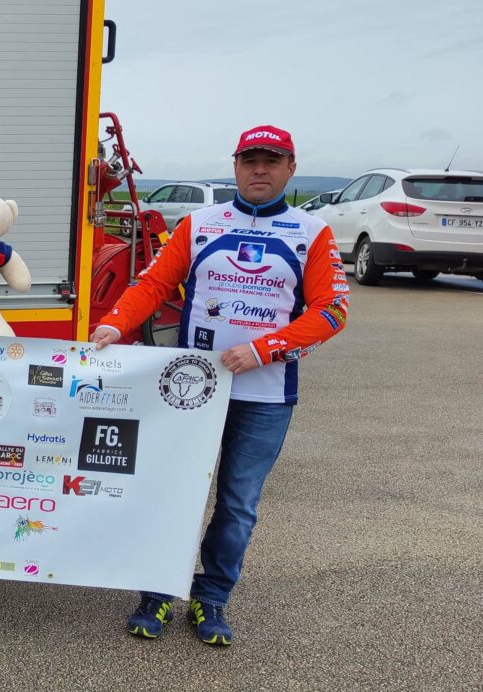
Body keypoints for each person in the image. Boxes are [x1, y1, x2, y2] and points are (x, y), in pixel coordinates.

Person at [92, 125, 350, 646]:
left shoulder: (312, 231)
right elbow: (154, 284)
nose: (260, 170)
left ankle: (211, 597)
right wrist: (115, 325)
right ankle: (157, 592)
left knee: (237, 506)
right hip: (193, 391)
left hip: (265, 397)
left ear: (291, 168)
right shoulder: (200, 223)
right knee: (175, 494)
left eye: (271, 161)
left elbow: (333, 311)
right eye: (250, 160)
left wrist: (264, 349)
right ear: (235, 166)